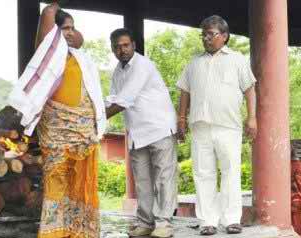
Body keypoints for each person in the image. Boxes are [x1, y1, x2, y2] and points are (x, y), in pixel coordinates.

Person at [9, 2, 106, 238]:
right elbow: (48, 13)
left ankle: (79, 232)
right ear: (53, 32)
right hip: (56, 131)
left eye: (73, 28)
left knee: (79, 184)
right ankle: (55, 233)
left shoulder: (79, 56)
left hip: (83, 134)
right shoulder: (49, 54)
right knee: (57, 182)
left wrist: (70, 30)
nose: (70, 32)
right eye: (65, 29)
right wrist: (56, 11)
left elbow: (79, 38)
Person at [176, 15, 257, 236]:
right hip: (200, 127)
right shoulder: (194, 63)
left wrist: (252, 118)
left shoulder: (237, 59)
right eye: (203, 34)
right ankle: (207, 221)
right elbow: (184, 92)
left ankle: (232, 219)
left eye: (210, 34)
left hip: (228, 127)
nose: (206, 38)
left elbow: (249, 89)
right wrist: (181, 119)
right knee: (203, 174)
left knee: (231, 172)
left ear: (224, 36)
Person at [106, 28, 178, 238]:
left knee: (164, 178)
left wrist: (95, 119)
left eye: (126, 45)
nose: (122, 50)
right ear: (113, 49)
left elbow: (124, 99)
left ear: (134, 45)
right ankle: (146, 223)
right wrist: (93, 112)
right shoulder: (118, 71)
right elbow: (112, 98)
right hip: (137, 133)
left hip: (159, 128)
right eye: (117, 47)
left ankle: (164, 223)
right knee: (143, 181)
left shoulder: (143, 65)